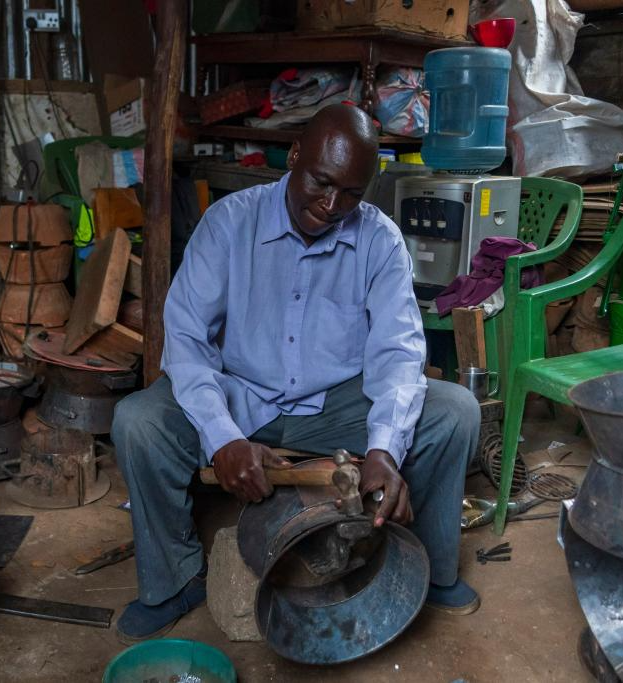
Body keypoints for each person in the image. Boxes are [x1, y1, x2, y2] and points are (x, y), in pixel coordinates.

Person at [111, 104, 481, 642]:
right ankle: (176, 581)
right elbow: (186, 343)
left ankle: (428, 571)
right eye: (320, 183)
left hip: (336, 406)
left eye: (350, 193)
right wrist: (222, 437)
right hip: (240, 396)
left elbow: (398, 355)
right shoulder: (229, 224)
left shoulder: (379, 240)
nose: (331, 206)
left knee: (455, 411)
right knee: (137, 422)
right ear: (294, 156)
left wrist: (384, 450)